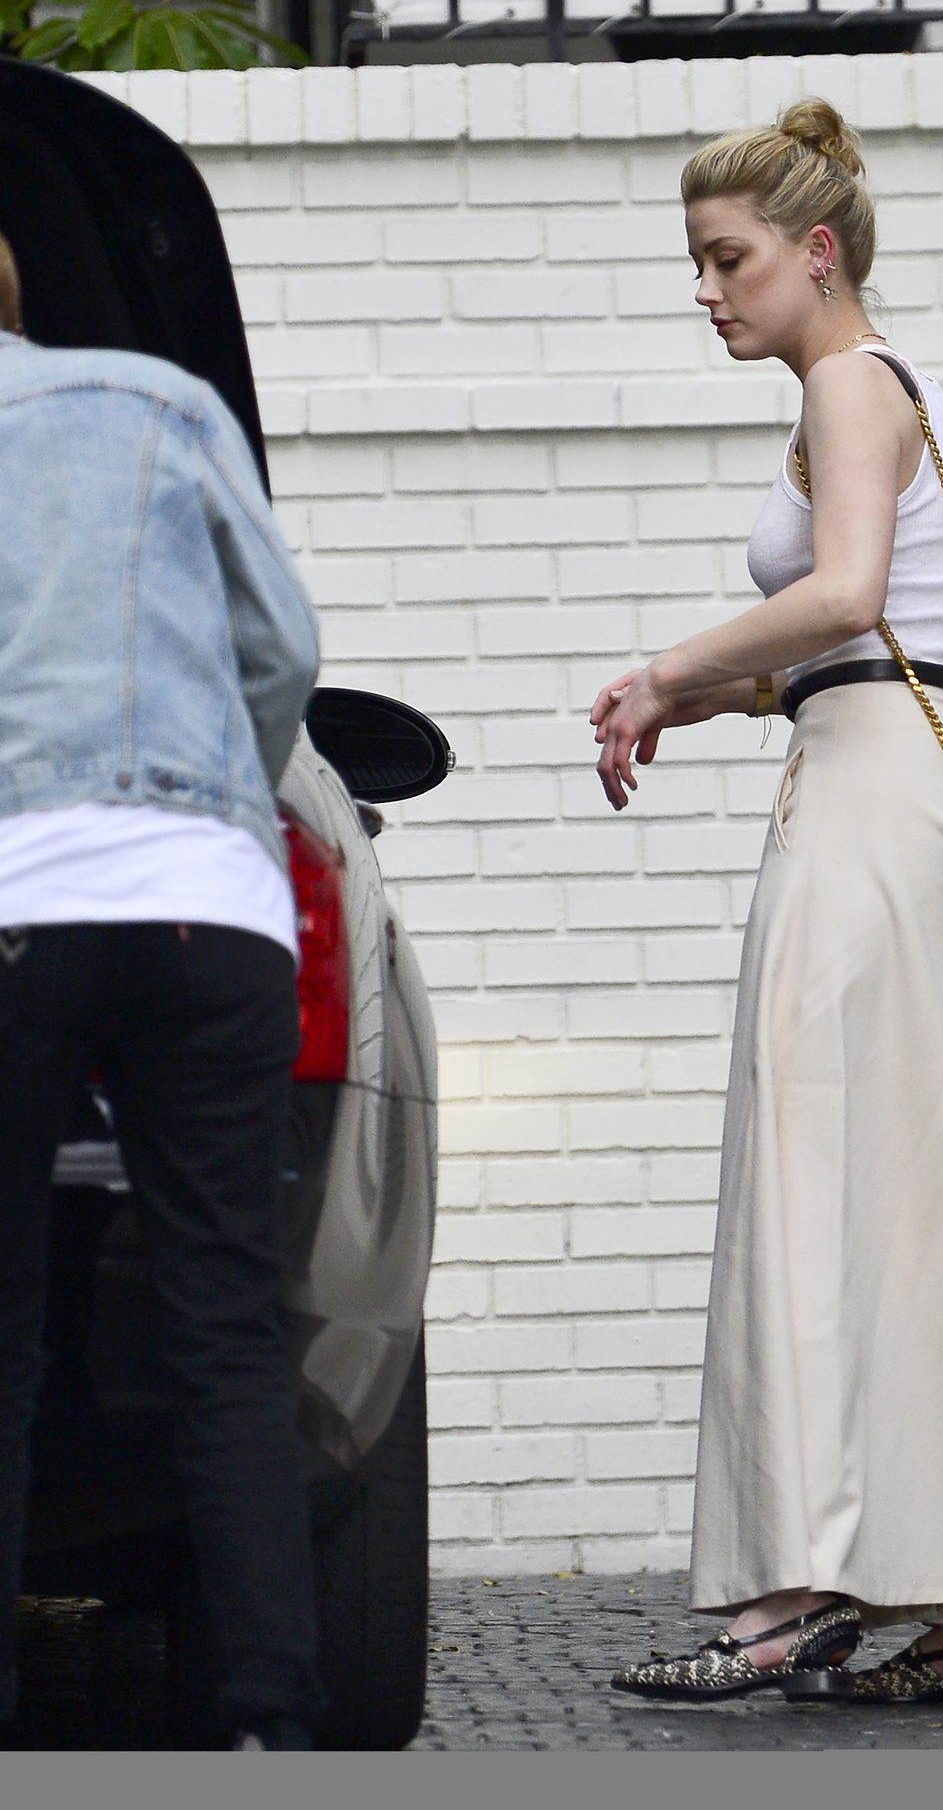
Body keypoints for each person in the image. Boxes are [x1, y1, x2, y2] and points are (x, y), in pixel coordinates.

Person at [591, 100, 943, 1711]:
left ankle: (792, 1594)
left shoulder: (848, 383)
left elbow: (848, 593)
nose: (707, 290)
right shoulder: (904, 385)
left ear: (816, 251)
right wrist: (716, 699)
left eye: (726, 259)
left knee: (810, 1185)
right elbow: (879, 639)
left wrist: (662, 667)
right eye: (696, 263)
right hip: (906, 787)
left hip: (866, 816)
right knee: (926, 1205)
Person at [0, 230, 325, 1749]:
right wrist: (211, 806)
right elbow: (283, 649)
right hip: (210, 913)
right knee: (226, 1328)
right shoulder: (162, 402)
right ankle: (268, 1725)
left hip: (13, 901)